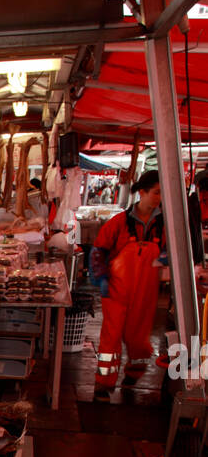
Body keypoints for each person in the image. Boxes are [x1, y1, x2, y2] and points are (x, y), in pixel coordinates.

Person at [90, 171, 166, 400]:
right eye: (156, 192)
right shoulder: (119, 223)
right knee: (110, 340)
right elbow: (98, 252)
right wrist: (101, 278)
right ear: (141, 192)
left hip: (146, 291)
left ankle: (134, 375)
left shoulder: (164, 226)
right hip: (115, 290)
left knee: (139, 340)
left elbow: (172, 252)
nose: (159, 198)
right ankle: (103, 384)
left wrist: (165, 259)